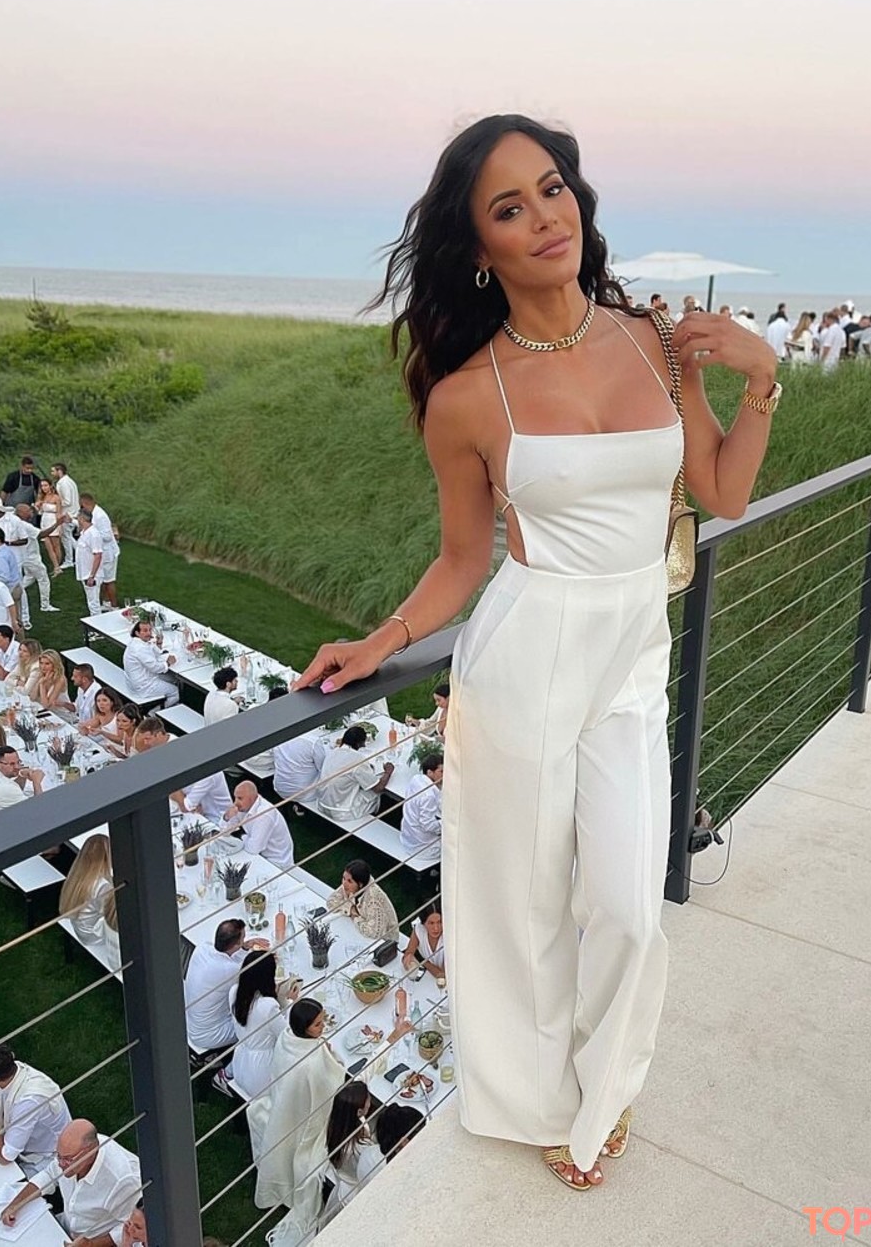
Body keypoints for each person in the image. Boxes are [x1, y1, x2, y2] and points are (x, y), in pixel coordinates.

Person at [296, 115, 776, 1190]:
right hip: (524, 651)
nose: (545, 218)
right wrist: (384, 638)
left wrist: (762, 379)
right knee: (519, 901)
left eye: (552, 189)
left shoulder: (654, 340)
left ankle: (606, 1086)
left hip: (630, 652)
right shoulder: (469, 395)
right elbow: (463, 558)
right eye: (509, 208)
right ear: (480, 249)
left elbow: (723, 491)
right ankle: (536, 1098)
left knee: (626, 902)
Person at [253, 998, 410, 1245]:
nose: (323, 1026)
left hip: (291, 1104)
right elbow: (343, 1087)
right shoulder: (313, 1066)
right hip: (312, 1120)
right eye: (317, 1024)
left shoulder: (289, 1038)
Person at [0, 1119, 142, 1243]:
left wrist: (91, 1245)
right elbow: (49, 1175)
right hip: (64, 1227)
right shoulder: (70, 1151)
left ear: (89, 1152)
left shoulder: (123, 1181)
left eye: (68, 1159)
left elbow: (131, 1226)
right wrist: (16, 1204)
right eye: (58, 1156)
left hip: (94, 1239)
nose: (61, 1164)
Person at [0, 1042, 72, 1176]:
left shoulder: (28, 1101)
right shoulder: (6, 1076)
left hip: (48, 1155)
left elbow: (5, 1157)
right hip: (25, 1144)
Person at [184, 918, 269, 1053]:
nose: (245, 940)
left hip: (192, 1019)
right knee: (262, 1024)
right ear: (235, 945)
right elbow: (257, 980)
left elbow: (232, 962)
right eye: (243, 938)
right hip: (208, 1034)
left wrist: (244, 948)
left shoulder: (202, 948)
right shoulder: (228, 970)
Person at [222, 951, 297, 1100]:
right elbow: (286, 1034)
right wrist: (290, 1002)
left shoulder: (235, 992)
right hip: (262, 1074)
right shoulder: (267, 1006)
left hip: (240, 1063)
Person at [321, 1080, 385, 1221]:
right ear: (359, 1111)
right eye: (367, 1099)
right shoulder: (358, 1149)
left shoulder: (337, 1124)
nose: (369, 1100)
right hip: (352, 1189)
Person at [60, 833, 121, 968]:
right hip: (93, 935)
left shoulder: (79, 874)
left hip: (80, 925)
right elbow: (110, 913)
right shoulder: (102, 886)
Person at [317, 725, 395, 824]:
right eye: (363, 743)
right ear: (359, 743)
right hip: (341, 811)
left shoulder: (333, 752)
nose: (364, 746)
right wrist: (388, 772)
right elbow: (378, 788)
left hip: (323, 802)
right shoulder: (357, 759)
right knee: (378, 788)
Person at [225, 781, 295, 869]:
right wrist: (227, 817)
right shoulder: (242, 807)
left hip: (277, 862)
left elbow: (253, 848)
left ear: (252, 798)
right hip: (260, 854)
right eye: (235, 797)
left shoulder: (264, 814)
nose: (236, 802)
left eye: (240, 798)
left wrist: (241, 836)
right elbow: (224, 832)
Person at [326, 859, 399, 941]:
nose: (344, 883)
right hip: (361, 929)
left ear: (360, 884)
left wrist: (355, 917)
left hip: (383, 941)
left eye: (349, 881)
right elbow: (331, 902)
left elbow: (373, 934)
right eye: (343, 878)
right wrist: (350, 909)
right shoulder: (350, 886)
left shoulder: (373, 898)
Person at [0, 745, 44, 820]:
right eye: (11, 764)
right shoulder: (6, 788)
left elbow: (13, 790)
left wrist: (22, 776)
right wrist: (36, 782)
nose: (17, 767)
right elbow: (38, 810)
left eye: (18, 762)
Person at [11, 504, 59, 614]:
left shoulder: (14, 522)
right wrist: (57, 523)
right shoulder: (25, 526)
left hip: (24, 556)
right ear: (21, 513)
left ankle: (14, 591)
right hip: (31, 557)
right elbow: (42, 534)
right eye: (28, 511)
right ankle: (45, 605)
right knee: (43, 579)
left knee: (30, 577)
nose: (31, 513)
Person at [399, 753, 443, 868]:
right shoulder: (429, 795)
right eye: (441, 772)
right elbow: (428, 825)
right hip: (422, 847)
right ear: (430, 772)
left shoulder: (416, 779)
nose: (445, 775)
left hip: (408, 836)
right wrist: (446, 823)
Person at [122, 619, 180, 707]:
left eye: (150, 630)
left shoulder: (138, 642)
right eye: (145, 631)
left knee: (174, 679)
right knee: (175, 691)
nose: (149, 633)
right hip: (143, 686)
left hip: (140, 679)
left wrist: (159, 643)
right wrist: (168, 663)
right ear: (137, 633)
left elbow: (154, 653)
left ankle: (170, 703)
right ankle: (157, 711)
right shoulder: (139, 648)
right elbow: (156, 668)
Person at [79, 493, 120, 608]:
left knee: (109, 581)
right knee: (102, 580)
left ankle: (114, 606)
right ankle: (106, 603)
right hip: (102, 552)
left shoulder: (100, 516)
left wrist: (93, 535)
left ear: (85, 504)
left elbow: (107, 536)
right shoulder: (93, 514)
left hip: (108, 553)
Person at [402, 901, 445, 979]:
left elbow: (442, 975)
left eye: (439, 922)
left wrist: (422, 961)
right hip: (429, 977)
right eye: (431, 923)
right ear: (424, 923)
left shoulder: (448, 937)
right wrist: (407, 960)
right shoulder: (419, 929)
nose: (436, 928)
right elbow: (409, 952)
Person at [74, 510, 105, 618]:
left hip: (91, 574)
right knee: (91, 601)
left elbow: (98, 555)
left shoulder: (93, 535)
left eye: (78, 518)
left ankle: (97, 624)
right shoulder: (84, 532)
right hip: (86, 573)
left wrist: (92, 576)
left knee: (93, 603)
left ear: (82, 519)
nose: (77, 520)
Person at [50, 463, 80, 570]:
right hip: (73, 511)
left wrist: (55, 504)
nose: (52, 473)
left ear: (59, 471)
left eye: (53, 471)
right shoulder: (69, 481)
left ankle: (69, 560)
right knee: (68, 537)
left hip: (68, 513)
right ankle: (80, 555)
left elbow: (67, 501)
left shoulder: (64, 483)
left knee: (66, 538)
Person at [35, 478, 64, 575]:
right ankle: (56, 566)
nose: (44, 488)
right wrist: (38, 505)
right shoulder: (41, 498)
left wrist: (59, 526)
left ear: (50, 486)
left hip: (53, 520)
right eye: (42, 486)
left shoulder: (56, 498)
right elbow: (39, 512)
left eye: (45, 485)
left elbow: (59, 512)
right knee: (48, 546)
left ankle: (58, 565)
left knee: (56, 545)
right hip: (44, 520)